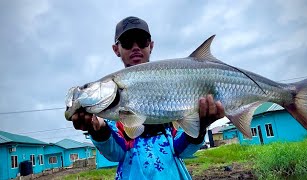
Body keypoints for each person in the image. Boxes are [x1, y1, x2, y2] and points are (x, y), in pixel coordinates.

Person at [71, 16, 225, 180]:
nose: (136, 47)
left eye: (142, 41)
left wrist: (201, 128)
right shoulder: (111, 110)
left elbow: (181, 150)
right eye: (128, 42)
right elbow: (117, 153)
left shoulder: (170, 91)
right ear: (116, 49)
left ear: (151, 45)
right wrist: (99, 131)